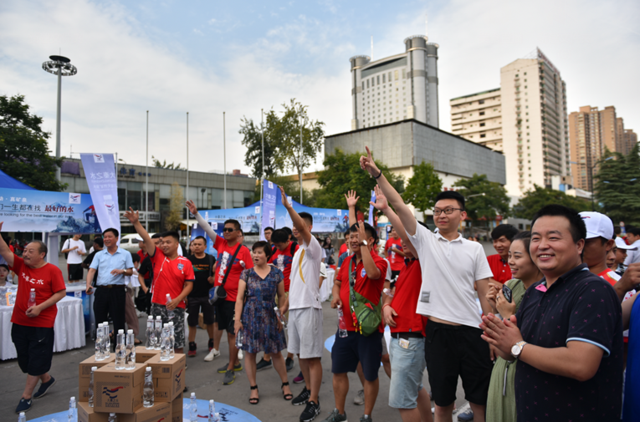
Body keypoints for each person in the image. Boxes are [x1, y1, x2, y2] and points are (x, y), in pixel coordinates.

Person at [359, 146, 494, 422]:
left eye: (448, 210)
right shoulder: (426, 241)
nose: (441, 215)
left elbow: (484, 293)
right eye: (437, 211)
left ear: (462, 215)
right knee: (443, 403)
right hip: (438, 334)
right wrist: (378, 174)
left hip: (472, 333)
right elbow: (400, 206)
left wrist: (492, 332)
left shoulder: (474, 249)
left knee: (479, 401)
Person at [480, 205, 624, 421]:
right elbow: (514, 352)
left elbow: (580, 364)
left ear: (579, 245)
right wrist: (501, 339)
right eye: (536, 238)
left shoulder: (593, 290)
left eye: (553, 238)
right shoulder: (535, 292)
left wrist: (517, 346)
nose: (543, 246)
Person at [373, 186, 433, 422]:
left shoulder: (424, 260)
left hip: (411, 338)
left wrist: (387, 209)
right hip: (404, 337)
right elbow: (391, 292)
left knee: (403, 400)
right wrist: (387, 305)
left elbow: (410, 236)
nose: (403, 241)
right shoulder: (408, 265)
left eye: (409, 237)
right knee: (416, 390)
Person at [325, 220, 387, 422]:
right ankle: (339, 412)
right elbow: (337, 282)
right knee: (338, 371)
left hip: (368, 330)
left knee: (369, 374)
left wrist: (363, 247)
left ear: (370, 241)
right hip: (344, 329)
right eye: (351, 237)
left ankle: (367, 415)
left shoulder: (379, 262)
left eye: (357, 237)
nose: (353, 240)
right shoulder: (346, 261)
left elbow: (371, 274)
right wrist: (335, 295)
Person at [0, 225, 66, 414]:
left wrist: (40, 307)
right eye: (25, 250)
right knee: (25, 360)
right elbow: (4, 249)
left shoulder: (52, 270)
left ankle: (26, 396)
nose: (26, 254)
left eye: (30, 251)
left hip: (41, 323)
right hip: (19, 321)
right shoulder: (21, 266)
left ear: (42, 254)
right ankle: (46, 378)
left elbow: (60, 292)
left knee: (36, 357)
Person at [187, 200, 253, 384]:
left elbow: (250, 275)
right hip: (220, 298)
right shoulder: (221, 244)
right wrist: (196, 214)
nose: (226, 232)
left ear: (238, 233)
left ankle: (232, 366)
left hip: (235, 300)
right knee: (223, 329)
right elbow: (207, 229)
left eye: (230, 229)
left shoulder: (244, 252)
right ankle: (232, 362)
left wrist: (247, 298)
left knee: (232, 334)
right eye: (225, 229)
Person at [484, 231, 542, 422]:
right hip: (502, 366)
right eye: (510, 255)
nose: (511, 261)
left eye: (517, 256)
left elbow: (534, 336)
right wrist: (496, 308)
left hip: (526, 369)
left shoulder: (547, 292)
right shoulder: (511, 286)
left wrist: (508, 315)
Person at [279, 186, 324, 422]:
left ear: (308, 228)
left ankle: (314, 401)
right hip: (295, 309)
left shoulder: (313, 247)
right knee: (301, 356)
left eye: (300, 227)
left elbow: (303, 229)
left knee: (312, 356)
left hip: (310, 308)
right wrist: (284, 307)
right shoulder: (297, 252)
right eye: (293, 228)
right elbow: (294, 284)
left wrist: (288, 207)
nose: (296, 230)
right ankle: (308, 389)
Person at [124, 210, 194, 355]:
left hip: (177, 306)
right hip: (157, 305)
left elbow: (189, 285)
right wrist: (136, 222)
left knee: (177, 341)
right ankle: (160, 368)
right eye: (162, 242)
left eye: (168, 242)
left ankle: (177, 369)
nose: (164, 245)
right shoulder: (158, 257)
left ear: (176, 244)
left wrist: (177, 300)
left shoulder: (185, 262)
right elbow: (146, 238)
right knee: (156, 341)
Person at [234, 241, 292, 404]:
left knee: (276, 352)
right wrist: (237, 320)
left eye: (259, 252)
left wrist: (280, 316)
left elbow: (281, 296)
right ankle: (254, 388)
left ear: (267, 255)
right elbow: (239, 299)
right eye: (254, 252)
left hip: (270, 315)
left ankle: (285, 384)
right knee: (250, 353)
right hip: (250, 316)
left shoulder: (276, 273)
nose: (255, 255)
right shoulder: (247, 274)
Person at [258, 229, 299, 372]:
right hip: (274, 290)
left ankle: (290, 357)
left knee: (287, 325)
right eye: (275, 244)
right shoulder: (274, 249)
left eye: (280, 245)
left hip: (290, 292)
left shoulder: (296, 248)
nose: (278, 247)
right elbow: (266, 265)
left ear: (288, 240)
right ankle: (266, 358)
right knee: (271, 323)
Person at [86, 228, 134, 337]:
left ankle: (119, 347)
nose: (106, 239)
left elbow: (130, 271)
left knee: (118, 320)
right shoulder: (99, 255)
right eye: (105, 237)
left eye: (109, 237)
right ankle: (102, 347)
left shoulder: (125, 254)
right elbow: (92, 270)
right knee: (100, 320)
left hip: (117, 291)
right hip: (101, 291)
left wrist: (122, 271)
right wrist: (88, 284)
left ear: (117, 238)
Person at [186, 236, 217, 358]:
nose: (197, 246)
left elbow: (216, 274)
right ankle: (192, 344)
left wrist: (213, 279)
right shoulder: (188, 260)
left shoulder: (210, 259)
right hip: (192, 296)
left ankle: (212, 342)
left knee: (210, 321)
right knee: (192, 322)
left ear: (205, 246)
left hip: (207, 296)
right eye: (195, 244)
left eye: (199, 244)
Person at [124, 253, 142, 343]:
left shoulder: (123, 267)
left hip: (117, 292)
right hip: (125, 292)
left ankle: (115, 333)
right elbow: (137, 281)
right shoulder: (132, 270)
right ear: (135, 262)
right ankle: (133, 336)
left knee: (119, 315)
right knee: (131, 315)